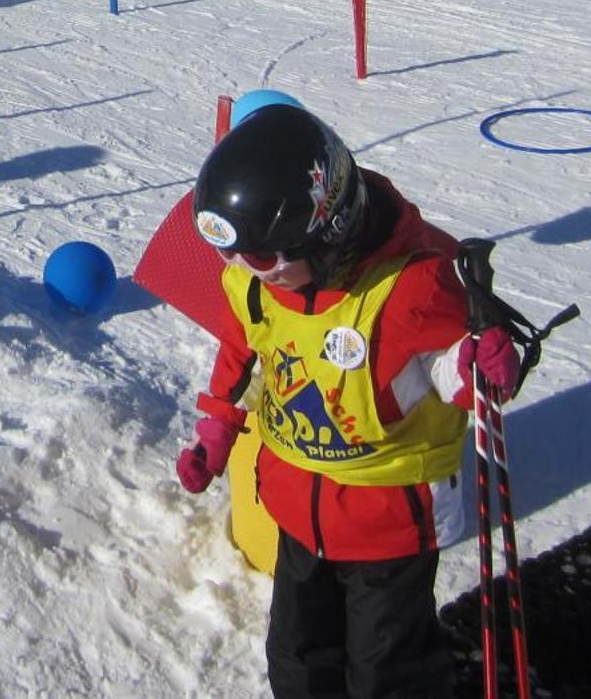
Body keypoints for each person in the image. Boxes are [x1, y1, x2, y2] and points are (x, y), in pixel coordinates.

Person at [176, 101, 519, 699]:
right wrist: (217, 431)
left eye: (259, 256)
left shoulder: (409, 288)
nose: (242, 270)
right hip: (296, 504)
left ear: (325, 230)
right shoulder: (256, 286)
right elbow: (244, 353)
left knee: (386, 670)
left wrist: (480, 366)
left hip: (387, 522)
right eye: (229, 254)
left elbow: (447, 372)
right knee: (298, 657)